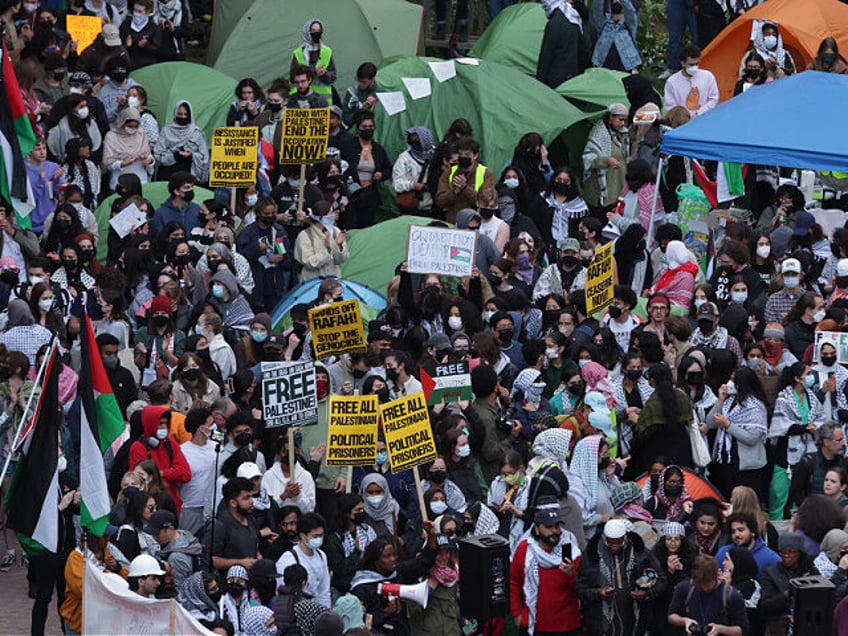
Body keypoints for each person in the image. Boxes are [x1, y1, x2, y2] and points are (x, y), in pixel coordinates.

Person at [578, 518, 663, 635]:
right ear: (604, 538)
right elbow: (580, 589)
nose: (615, 547)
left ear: (625, 538)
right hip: (601, 622)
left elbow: (660, 579)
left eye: (619, 543)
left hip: (634, 621)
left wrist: (646, 593)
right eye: (610, 543)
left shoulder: (640, 553)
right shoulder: (591, 555)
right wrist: (598, 592)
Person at [510, 506, 582, 635]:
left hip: (566, 626)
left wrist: (570, 575)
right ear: (537, 530)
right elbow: (514, 582)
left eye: (557, 526)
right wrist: (517, 615)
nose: (555, 531)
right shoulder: (525, 549)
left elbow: (582, 589)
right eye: (549, 527)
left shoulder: (572, 552)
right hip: (534, 624)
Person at [708, 367, 769, 501]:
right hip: (724, 459)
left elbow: (752, 438)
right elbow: (710, 423)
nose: (729, 383)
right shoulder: (728, 401)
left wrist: (728, 425)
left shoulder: (755, 407)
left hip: (745, 464)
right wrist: (719, 401)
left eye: (733, 380)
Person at [668, 554, 748, 635]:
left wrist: (720, 629)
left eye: (707, 584)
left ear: (717, 576)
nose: (704, 588)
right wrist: (684, 621)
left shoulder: (731, 595)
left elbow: (742, 630)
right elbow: (671, 616)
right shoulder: (685, 588)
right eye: (699, 584)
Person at [759, 533, 819, 635]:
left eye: (791, 552)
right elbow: (764, 606)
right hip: (780, 626)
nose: (786, 555)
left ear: (799, 553)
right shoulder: (771, 573)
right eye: (783, 552)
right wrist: (786, 594)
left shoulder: (810, 571)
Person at [275, 512, 331, 608]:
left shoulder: (321, 555)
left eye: (321, 535)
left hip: (317, 608)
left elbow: (324, 590)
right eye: (315, 536)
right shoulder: (288, 559)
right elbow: (282, 592)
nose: (319, 539)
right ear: (303, 536)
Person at [435, 136, 495, 224]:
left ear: (475, 155)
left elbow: (486, 203)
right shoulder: (449, 173)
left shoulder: (486, 174)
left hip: (476, 225)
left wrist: (465, 188)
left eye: (467, 155)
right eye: (460, 154)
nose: (463, 157)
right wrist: (454, 191)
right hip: (452, 223)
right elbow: (440, 201)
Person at [582, 103, 628, 210]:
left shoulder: (620, 134)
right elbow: (587, 159)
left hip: (618, 186)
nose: (623, 124)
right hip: (601, 190)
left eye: (625, 120)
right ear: (611, 117)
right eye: (620, 120)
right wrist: (606, 160)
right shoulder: (599, 135)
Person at [144, 509, 201, 592]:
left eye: (157, 533)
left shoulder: (176, 558)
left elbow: (180, 591)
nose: (154, 537)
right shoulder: (184, 535)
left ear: (170, 528)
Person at [536, 0, 590, 88]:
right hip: (572, 77)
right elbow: (585, 48)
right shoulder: (576, 19)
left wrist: (539, 83)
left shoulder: (554, 24)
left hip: (554, 80)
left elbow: (546, 57)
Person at [154, 100, 209, 183]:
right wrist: (175, 154)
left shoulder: (196, 133)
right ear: (175, 114)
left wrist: (192, 155)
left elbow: (204, 157)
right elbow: (158, 154)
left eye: (186, 114)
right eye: (180, 114)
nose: (183, 117)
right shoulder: (166, 131)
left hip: (189, 175)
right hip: (168, 175)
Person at [715, 512, 780, 579]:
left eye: (741, 530)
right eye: (733, 531)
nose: (736, 534)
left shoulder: (770, 558)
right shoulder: (723, 553)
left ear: (752, 532)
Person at [663, 44, 719, 118]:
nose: (695, 67)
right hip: (682, 122)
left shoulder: (708, 76)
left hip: (706, 117)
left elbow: (713, 99)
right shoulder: (671, 82)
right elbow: (671, 107)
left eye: (697, 64)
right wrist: (685, 118)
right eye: (691, 65)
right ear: (683, 63)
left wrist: (698, 114)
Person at [290, 19, 336, 106]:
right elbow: (293, 77)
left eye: (318, 31)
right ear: (307, 32)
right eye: (313, 31)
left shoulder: (327, 52)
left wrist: (323, 75)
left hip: (323, 101)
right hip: (301, 100)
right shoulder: (298, 53)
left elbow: (333, 77)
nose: (316, 33)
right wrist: (314, 72)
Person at [392, 126, 435, 215]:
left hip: (433, 207)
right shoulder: (404, 158)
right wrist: (412, 185)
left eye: (418, 141)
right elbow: (397, 183)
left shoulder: (436, 155)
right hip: (411, 207)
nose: (415, 144)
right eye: (412, 141)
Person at [341, 62, 379, 128]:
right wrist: (362, 110)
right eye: (358, 80)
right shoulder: (352, 92)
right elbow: (346, 119)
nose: (359, 84)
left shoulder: (381, 94)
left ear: (372, 79)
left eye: (363, 82)